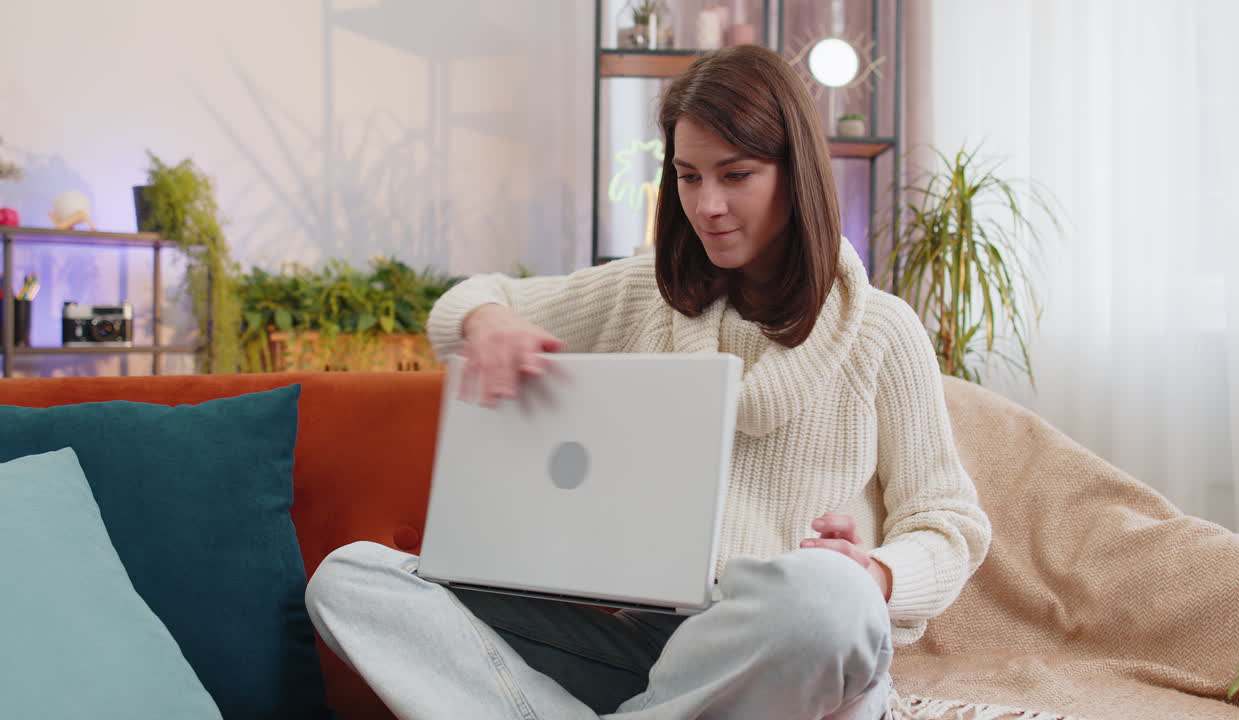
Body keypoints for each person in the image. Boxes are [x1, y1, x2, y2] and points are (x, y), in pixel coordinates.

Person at [305, 44, 991, 720]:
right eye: (688, 177)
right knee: (350, 580)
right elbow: (470, 301)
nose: (708, 204)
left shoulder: (883, 330)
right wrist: (488, 325)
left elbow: (951, 524)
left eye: (736, 174)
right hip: (650, 647)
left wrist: (873, 573)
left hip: (792, 648)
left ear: (795, 172)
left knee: (826, 598)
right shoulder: (644, 292)